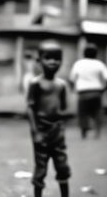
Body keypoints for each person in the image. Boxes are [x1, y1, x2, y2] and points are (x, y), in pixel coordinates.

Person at [27, 40, 71, 197]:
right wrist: (35, 132)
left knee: (63, 166)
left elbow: (63, 108)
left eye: (57, 58)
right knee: (41, 169)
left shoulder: (61, 85)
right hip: (42, 131)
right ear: (39, 60)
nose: (53, 62)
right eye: (48, 58)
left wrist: (62, 120)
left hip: (57, 132)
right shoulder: (36, 83)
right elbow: (30, 108)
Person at [69, 43, 107, 139]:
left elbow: (72, 79)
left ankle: (84, 132)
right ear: (95, 53)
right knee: (97, 112)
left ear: (84, 53)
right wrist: (105, 89)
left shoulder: (78, 64)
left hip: (83, 92)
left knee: (83, 113)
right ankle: (97, 132)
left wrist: (72, 89)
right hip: (96, 92)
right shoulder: (99, 64)